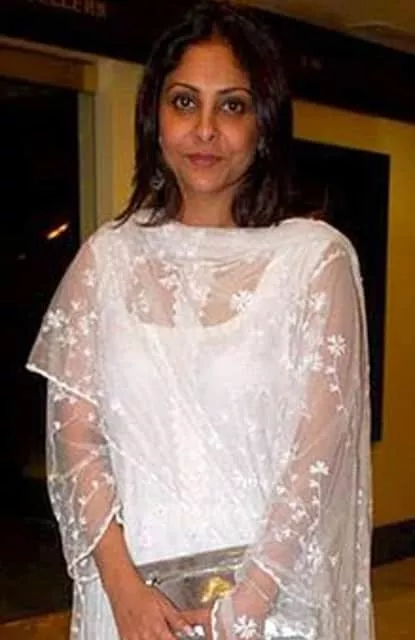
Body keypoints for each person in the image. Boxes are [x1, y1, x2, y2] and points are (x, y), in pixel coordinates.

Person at [27, 1, 374, 638]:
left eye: (232, 106)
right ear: (155, 119)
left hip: (266, 607)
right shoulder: (107, 260)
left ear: (264, 124)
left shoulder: (313, 262)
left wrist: (245, 607)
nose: (205, 129)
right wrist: (123, 591)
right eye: (185, 102)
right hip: (132, 602)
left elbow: (317, 458)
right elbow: (75, 443)